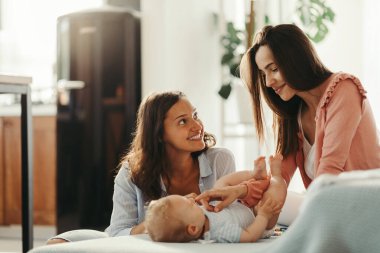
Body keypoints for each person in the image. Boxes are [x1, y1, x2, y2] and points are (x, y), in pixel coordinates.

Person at [196, 24, 380, 227]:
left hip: (366, 210)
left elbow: (329, 172)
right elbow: (279, 177)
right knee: (260, 204)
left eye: (273, 69)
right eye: (263, 73)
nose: (267, 82)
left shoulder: (344, 88)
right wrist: (240, 190)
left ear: (296, 60)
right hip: (330, 207)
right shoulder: (295, 112)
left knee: (268, 210)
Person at [47, 91, 239, 244]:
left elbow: (235, 217)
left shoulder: (220, 160)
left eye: (195, 115)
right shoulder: (132, 172)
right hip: (140, 244)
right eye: (183, 121)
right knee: (55, 245)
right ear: (159, 134)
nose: (197, 126)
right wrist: (161, 221)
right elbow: (117, 232)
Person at [145, 155, 285, 243]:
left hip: (236, 204)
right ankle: (277, 176)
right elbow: (250, 235)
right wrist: (263, 216)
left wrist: (211, 195)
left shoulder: (195, 217)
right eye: (189, 205)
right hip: (256, 217)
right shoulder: (219, 232)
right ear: (193, 229)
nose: (193, 200)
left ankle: (253, 174)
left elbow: (199, 203)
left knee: (220, 184)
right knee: (275, 194)